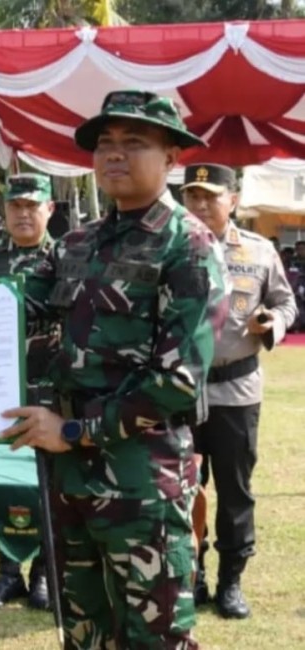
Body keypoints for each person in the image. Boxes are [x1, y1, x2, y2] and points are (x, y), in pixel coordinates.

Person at [0, 90, 229, 649]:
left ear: (172, 157)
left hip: (141, 488)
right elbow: (6, 309)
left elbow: (176, 384)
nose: (115, 155)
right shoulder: (76, 245)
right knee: (84, 636)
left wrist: (73, 431)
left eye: (135, 143)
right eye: (105, 144)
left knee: (156, 639)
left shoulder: (190, 248)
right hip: (71, 484)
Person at [181, 163, 298, 618]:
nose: (201, 204)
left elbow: (285, 300)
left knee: (234, 492)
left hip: (237, 391)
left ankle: (231, 582)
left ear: (234, 198)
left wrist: (273, 321)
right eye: (193, 195)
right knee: (182, 489)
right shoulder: (171, 249)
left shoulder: (260, 250)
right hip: (180, 392)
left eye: (211, 195)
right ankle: (191, 575)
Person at [0, 173, 57, 611]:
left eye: (32, 205)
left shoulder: (65, 258)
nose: (23, 213)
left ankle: (44, 573)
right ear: (3, 211)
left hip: (48, 391)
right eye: (15, 206)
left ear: (49, 209)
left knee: (44, 485)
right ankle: (8, 574)